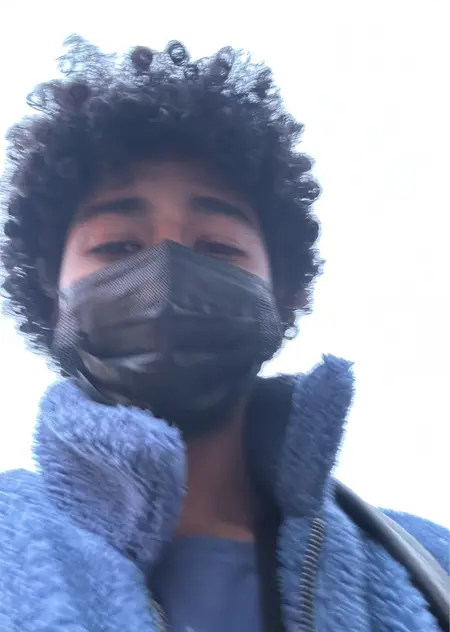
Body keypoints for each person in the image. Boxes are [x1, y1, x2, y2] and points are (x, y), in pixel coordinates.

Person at [0, 36, 447, 632]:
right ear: (50, 296)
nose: (163, 280)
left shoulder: (428, 566)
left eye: (217, 247)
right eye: (117, 246)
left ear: (280, 295)